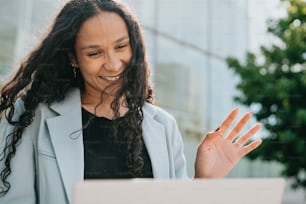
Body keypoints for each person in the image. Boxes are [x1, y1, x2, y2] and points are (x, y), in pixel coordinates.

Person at [0, 0, 262, 203]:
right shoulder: (30, 117)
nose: (113, 63)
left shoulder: (163, 125)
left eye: (121, 47)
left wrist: (203, 182)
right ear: (73, 57)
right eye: (94, 52)